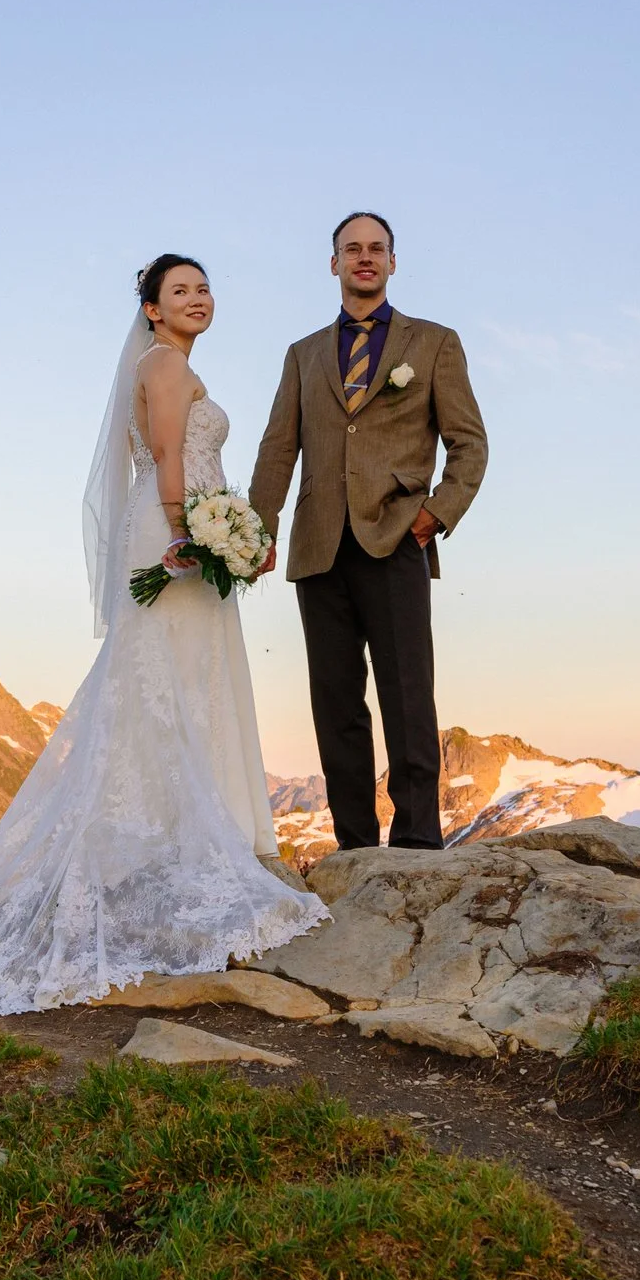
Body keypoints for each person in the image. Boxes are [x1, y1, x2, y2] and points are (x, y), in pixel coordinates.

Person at [0, 254, 323, 1019]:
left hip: (190, 527)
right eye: (181, 290)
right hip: (174, 532)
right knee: (171, 679)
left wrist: (230, 533)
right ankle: (181, 844)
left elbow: (189, 461)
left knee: (179, 678)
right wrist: (187, 535)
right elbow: (171, 456)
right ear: (151, 308)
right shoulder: (165, 364)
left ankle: (189, 838)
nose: (198, 298)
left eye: (204, 288)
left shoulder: (164, 361)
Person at [247, 213, 488, 852]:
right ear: (333, 264)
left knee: (408, 697)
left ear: (392, 262)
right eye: (351, 249)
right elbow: (278, 449)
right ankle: (355, 848)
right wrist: (255, 530)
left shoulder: (434, 343)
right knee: (336, 707)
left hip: (397, 540)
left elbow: (470, 443)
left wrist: (438, 512)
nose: (364, 258)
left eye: (375, 249)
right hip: (318, 548)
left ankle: (417, 842)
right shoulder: (303, 355)